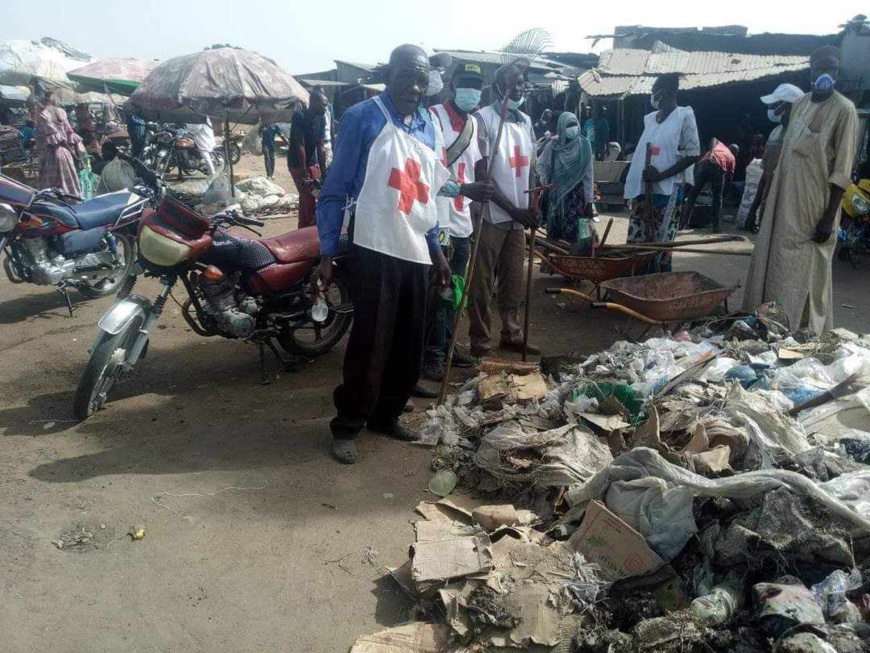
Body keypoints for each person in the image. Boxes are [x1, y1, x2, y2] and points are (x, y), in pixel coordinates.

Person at [316, 45, 478, 464]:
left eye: (422, 79)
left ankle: (386, 415)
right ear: (388, 76)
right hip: (373, 245)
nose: (415, 87)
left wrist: (437, 251)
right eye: (406, 76)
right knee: (371, 341)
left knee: (409, 342)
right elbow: (335, 189)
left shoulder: (427, 127)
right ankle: (348, 423)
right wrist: (327, 251)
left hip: (416, 248)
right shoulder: (363, 117)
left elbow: (424, 196)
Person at [743, 46, 858, 335]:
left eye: (831, 69)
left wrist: (828, 218)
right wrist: (769, 201)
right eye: (820, 69)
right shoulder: (801, 104)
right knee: (777, 262)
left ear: (837, 74)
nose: (825, 74)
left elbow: (842, 171)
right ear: (810, 73)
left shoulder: (845, 110)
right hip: (784, 202)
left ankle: (800, 329)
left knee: (807, 269)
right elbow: (786, 158)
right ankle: (772, 322)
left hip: (815, 206)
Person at [422, 62, 491, 382]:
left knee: (458, 289)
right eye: (465, 83)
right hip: (440, 221)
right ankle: (433, 355)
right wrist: (464, 189)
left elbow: (475, 165)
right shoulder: (433, 118)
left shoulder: (473, 124)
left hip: (463, 221)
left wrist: (482, 187)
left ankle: (449, 345)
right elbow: (428, 173)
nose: (471, 91)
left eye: (476, 85)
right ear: (452, 85)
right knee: (442, 289)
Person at [468, 61, 540, 358]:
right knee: (482, 281)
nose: (519, 88)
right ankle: (480, 339)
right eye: (513, 83)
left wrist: (533, 204)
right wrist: (513, 209)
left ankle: (511, 333)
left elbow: (531, 167)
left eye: (522, 82)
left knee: (514, 279)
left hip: (518, 217)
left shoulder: (525, 121)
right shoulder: (482, 119)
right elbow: (482, 173)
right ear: (498, 87)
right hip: (491, 214)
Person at [623, 73, 700, 272]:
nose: (652, 96)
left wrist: (661, 175)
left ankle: (659, 281)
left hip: (667, 191)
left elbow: (692, 155)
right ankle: (637, 279)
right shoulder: (651, 120)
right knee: (639, 241)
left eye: (653, 91)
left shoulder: (684, 116)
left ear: (662, 92)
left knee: (661, 243)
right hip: (643, 188)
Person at [743, 83, 805, 232]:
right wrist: (753, 210)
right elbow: (765, 177)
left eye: (774, 105)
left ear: (787, 106)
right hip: (767, 209)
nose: (770, 109)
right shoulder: (775, 133)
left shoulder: (803, 136)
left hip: (788, 213)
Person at [536, 112, 594, 244]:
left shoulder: (585, 145)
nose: (573, 128)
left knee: (575, 234)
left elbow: (589, 176)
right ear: (561, 127)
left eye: (574, 124)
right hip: (556, 195)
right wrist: (543, 180)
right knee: (555, 233)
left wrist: (589, 202)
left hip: (576, 197)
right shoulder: (553, 145)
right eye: (569, 126)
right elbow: (541, 164)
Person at [288, 89, 328, 228]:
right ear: (315, 102)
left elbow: (321, 147)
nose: (325, 108)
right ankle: (304, 229)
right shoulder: (299, 117)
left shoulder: (321, 119)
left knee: (318, 194)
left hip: (312, 162)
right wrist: (304, 174)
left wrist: (324, 174)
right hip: (297, 163)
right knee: (307, 197)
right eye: (323, 105)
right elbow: (300, 145)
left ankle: (311, 226)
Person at [682, 139, 738, 232]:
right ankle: (715, 226)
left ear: (728, 146)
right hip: (718, 167)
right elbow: (729, 178)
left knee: (693, 194)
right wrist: (723, 195)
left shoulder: (720, 145)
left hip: (705, 163)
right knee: (717, 198)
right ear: (735, 154)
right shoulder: (732, 158)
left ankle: (683, 223)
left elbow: (713, 139)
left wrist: (711, 153)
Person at [35, 91, 83, 196]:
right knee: (69, 185)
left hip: (51, 155)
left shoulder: (43, 114)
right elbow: (71, 136)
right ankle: (73, 201)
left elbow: (57, 139)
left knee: (51, 190)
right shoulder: (61, 112)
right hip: (65, 154)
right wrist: (74, 154)